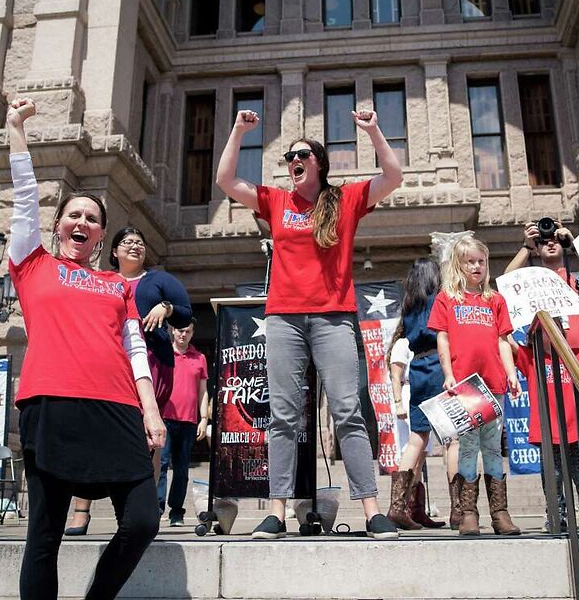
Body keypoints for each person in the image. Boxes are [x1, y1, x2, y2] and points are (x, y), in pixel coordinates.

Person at [216, 106, 403, 540]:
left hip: (333, 318)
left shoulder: (345, 200)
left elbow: (392, 177)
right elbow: (226, 181)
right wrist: (238, 132)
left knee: (347, 410)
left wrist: (373, 129)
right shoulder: (276, 201)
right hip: (283, 319)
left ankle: (372, 510)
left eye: (300, 155)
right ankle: (277, 513)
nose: (292, 162)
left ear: (318, 162)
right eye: (288, 158)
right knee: (282, 416)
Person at [5, 97, 164, 600]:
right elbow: (26, 194)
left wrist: (152, 410)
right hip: (51, 403)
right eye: (73, 214)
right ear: (57, 226)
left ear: (99, 236)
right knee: (44, 536)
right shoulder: (32, 265)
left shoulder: (118, 285)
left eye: (92, 219)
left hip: (117, 410)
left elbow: (136, 349)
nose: (81, 222)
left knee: (142, 521)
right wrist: (17, 129)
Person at [64, 226, 191, 535]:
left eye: (139, 242)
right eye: (127, 242)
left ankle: (143, 508)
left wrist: (167, 307)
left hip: (153, 362)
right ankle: (81, 512)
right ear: (114, 251)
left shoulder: (159, 280)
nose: (135, 246)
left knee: (148, 434)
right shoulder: (102, 281)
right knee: (92, 433)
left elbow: (185, 314)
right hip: (107, 364)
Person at [504, 220, 579, 533]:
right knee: (554, 446)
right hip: (548, 363)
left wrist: (572, 240)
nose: (550, 243)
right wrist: (527, 246)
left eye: (555, 240)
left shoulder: (577, 277)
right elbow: (507, 284)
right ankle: (558, 511)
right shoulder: (531, 278)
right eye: (545, 240)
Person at [428, 236, 523, 536]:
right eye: (471, 261)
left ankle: (500, 513)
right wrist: (448, 373)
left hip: (493, 381)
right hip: (466, 385)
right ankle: (468, 513)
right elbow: (442, 337)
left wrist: (512, 374)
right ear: (459, 264)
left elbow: (502, 339)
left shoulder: (494, 300)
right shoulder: (447, 298)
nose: (477, 266)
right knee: (467, 447)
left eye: (481, 261)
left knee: (493, 447)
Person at [384, 257, 448, 530]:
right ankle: (460, 509)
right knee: (454, 439)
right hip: (439, 364)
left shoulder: (410, 305)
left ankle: (400, 506)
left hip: (419, 368)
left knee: (416, 441)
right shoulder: (440, 300)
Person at [156, 320, 209, 527]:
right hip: (165, 418)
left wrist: (204, 418)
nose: (183, 334)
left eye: (187, 331)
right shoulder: (163, 354)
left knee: (181, 469)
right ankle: (157, 508)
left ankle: (176, 512)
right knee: (160, 466)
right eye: (180, 330)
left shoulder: (200, 358)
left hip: (188, 420)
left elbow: (203, 391)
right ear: (172, 330)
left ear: (192, 333)